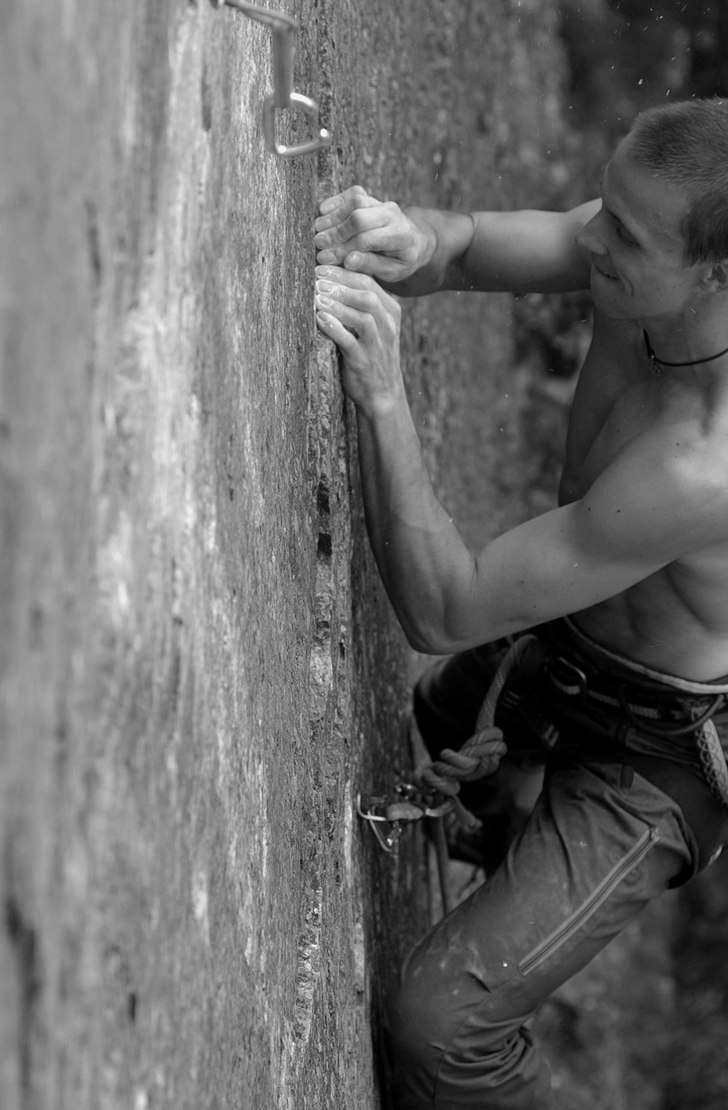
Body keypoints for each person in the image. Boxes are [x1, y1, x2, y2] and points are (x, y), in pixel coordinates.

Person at [314, 97, 728, 1109]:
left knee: (441, 1025)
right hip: (571, 650)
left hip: (653, 754)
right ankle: (511, 797)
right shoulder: (642, 266)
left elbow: (444, 610)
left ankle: (531, 804)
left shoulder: (702, 463)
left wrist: (382, 395)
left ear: (716, 275)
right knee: (442, 718)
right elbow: (461, 249)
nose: (588, 234)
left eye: (621, 234)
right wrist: (412, 236)